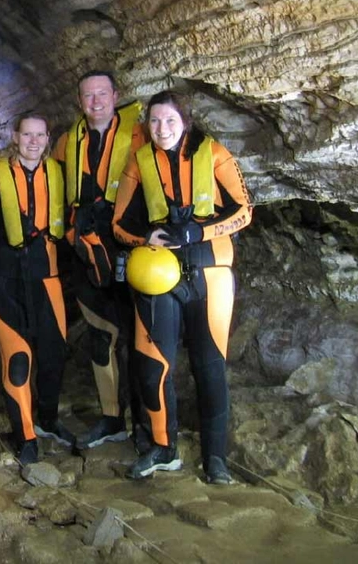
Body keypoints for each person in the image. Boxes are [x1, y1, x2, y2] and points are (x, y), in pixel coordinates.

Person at [112, 90, 252, 484]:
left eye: (170, 120)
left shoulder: (215, 154)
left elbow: (243, 211)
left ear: (185, 122)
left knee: (210, 368)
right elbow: (120, 224)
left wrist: (197, 231)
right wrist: (146, 237)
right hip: (161, 276)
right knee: (154, 366)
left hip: (211, 273)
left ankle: (216, 459)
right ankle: (163, 448)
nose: (162, 129)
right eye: (154, 121)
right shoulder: (139, 163)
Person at [0, 112, 78, 464]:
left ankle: (49, 419)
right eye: (27, 134)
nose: (33, 141)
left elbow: (71, 223)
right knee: (18, 358)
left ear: (47, 139)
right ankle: (25, 437)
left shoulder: (57, 174)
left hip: (46, 279)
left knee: (54, 355)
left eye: (40, 135)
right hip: (0, 280)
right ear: (15, 137)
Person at [51, 71, 147, 451]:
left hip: (127, 245)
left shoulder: (139, 135)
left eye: (102, 94)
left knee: (138, 336)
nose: (95, 102)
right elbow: (50, 183)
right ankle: (112, 419)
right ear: (79, 102)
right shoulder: (67, 142)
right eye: (88, 96)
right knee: (98, 335)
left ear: (116, 95)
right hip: (86, 251)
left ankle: (145, 422)